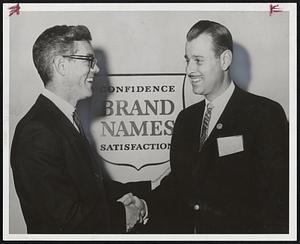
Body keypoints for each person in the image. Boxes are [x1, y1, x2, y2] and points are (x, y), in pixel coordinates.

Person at [125, 20, 289, 233]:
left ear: (225, 60)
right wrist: (145, 205)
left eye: (198, 61)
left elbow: (279, 199)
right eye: (187, 60)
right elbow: (178, 184)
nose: (189, 70)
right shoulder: (186, 119)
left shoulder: (264, 114)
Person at [10, 25, 143, 234]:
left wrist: (147, 190)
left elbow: (91, 188)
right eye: (89, 60)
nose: (97, 69)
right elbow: (64, 218)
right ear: (61, 66)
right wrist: (124, 214)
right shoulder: (36, 132)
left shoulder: (62, 119)